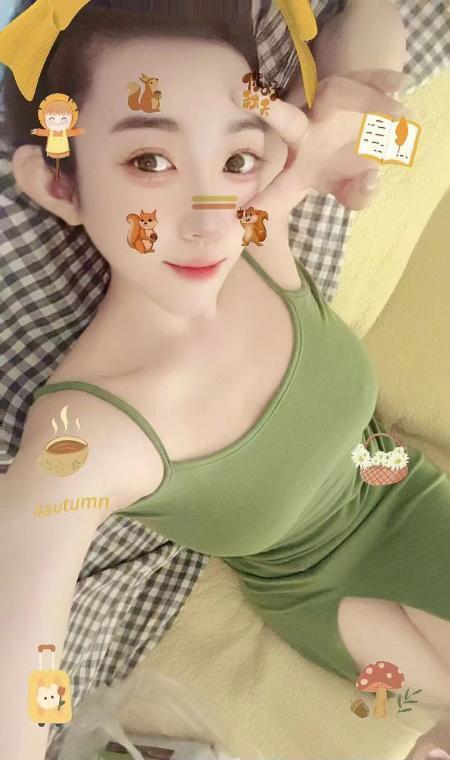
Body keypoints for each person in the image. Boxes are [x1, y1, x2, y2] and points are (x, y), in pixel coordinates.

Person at [2, 2, 450, 760]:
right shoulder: (92, 433)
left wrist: (368, 119)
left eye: (236, 160)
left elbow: (390, 114)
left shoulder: (257, 233)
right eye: (151, 161)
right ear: (57, 185)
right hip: (310, 589)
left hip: (403, 494)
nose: (209, 220)